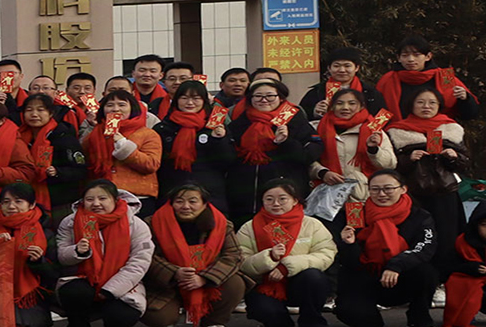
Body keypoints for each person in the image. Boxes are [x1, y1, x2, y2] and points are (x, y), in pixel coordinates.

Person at [336, 170, 439, 327]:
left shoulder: (420, 216)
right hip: (366, 276)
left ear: (403, 189)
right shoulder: (355, 214)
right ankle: (370, 318)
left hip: (401, 275)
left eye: (388, 188)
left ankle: (418, 321)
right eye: (375, 189)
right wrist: (349, 245)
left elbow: (425, 248)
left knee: (426, 272)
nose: (381, 194)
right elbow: (349, 262)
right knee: (361, 320)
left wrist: (395, 266)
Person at [54, 180, 154, 327]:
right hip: (85, 279)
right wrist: (78, 251)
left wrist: (110, 290)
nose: (96, 204)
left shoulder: (136, 224)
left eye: (102, 198)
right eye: (90, 199)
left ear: (115, 200)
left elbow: (139, 262)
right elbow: (62, 256)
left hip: (123, 285)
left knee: (121, 314)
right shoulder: (70, 222)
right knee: (74, 292)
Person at [140, 184, 244, 327]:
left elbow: (234, 255)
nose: (186, 206)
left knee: (236, 283)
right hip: (167, 283)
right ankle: (166, 323)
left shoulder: (222, 224)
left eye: (193, 201)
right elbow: (147, 255)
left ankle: (213, 324)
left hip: (207, 282)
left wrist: (204, 278)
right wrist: (175, 272)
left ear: (204, 203)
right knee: (158, 317)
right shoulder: (152, 223)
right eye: (179, 201)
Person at [235, 179, 335, 327]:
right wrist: (269, 257)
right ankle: (280, 322)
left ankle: (312, 324)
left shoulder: (312, 224)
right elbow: (241, 261)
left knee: (314, 277)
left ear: (295, 200)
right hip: (266, 283)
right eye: (269, 199)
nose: (276, 204)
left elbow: (326, 253)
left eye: (282, 199)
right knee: (274, 321)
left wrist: (286, 267)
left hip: (300, 282)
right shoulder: (249, 227)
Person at [387, 88, 469, 276]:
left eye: (432, 102)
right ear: (411, 105)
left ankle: (443, 279)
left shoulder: (452, 129)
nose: (426, 106)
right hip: (413, 194)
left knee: (447, 237)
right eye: (420, 102)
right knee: (417, 236)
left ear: (439, 105)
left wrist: (453, 157)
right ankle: (417, 277)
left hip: (445, 193)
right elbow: (388, 164)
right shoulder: (397, 131)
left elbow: (465, 163)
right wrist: (408, 159)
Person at [225, 80, 316, 220]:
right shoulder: (239, 124)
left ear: (280, 98)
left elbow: (308, 155)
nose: (264, 100)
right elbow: (227, 158)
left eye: (270, 96)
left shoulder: (295, 121)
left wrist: (285, 142)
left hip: (283, 195)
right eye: (258, 96)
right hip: (244, 196)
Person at [312, 88, 395, 232]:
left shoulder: (374, 130)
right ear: (331, 106)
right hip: (328, 196)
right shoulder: (316, 128)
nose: (345, 107)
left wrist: (373, 150)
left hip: (359, 196)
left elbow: (390, 164)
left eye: (352, 103)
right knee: (329, 235)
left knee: (356, 235)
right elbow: (306, 158)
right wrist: (322, 172)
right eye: (339, 103)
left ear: (361, 106)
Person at [0, 184, 52, 327]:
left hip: (27, 288)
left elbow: (53, 272)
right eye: (6, 202)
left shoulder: (44, 229)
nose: (11, 206)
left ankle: (20, 326)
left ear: (31, 205)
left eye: (18, 201)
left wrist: (38, 262)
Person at [153, 81, 234, 216]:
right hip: (172, 191)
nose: (190, 103)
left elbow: (227, 162)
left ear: (204, 101)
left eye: (196, 98)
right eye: (184, 98)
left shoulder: (214, 126)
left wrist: (219, 140)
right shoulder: (163, 128)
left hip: (209, 192)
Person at [82, 90, 162, 214]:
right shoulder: (94, 134)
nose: (115, 109)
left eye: (122, 105)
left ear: (132, 108)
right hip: (101, 200)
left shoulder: (147, 134)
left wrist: (124, 146)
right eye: (110, 105)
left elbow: (151, 164)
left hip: (137, 197)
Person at [376, 36, 477, 122]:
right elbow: (379, 112)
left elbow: (469, 114)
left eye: (416, 55)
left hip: (438, 130)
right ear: (398, 58)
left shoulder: (445, 77)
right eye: (405, 55)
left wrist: (466, 99)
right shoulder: (388, 79)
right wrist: (377, 133)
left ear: (428, 56)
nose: (411, 59)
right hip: (399, 132)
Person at [442, 200, 486, 327]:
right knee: (460, 281)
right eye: (484, 224)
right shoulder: (463, 242)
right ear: (475, 225)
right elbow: (446, 268)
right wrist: (470, 268)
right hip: (477, 289)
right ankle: (464, 314)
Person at [300, 48, 384, 117]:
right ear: (329, 68)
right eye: (336, 66)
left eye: (347, 66)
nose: (342, 70)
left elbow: (382, 116)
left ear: (356, 68)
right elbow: (300, 119)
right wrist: (314, 112)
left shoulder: (370, 93)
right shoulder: (316, 92)